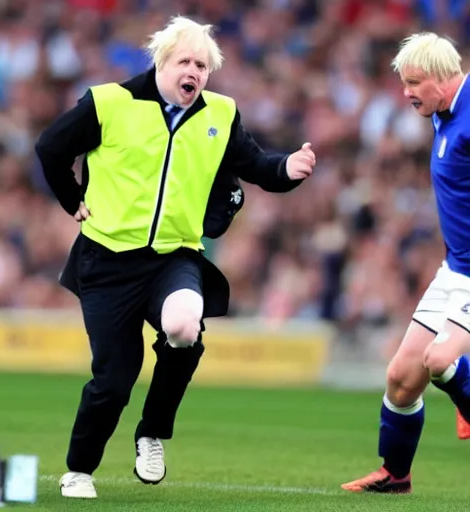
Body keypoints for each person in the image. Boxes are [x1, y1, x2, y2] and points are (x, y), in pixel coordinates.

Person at [35, 15, 316, 499]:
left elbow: (256, 166)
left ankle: (152, 432)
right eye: (186, 61)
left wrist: (287, 168)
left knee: (186, 326)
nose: (195, 72)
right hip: (106, 260)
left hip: (174, 257)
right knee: (113, 382)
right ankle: (79, 470)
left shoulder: (220, 115)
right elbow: (50, 147)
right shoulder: (110, 102)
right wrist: (71, 198)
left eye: (203, 66)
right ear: (163, 62)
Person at [342, 32, 470, 494]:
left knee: (442, 361)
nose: (407, 93)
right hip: (455, 270)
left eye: (414, 82)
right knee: (400, 379)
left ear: (442, 78)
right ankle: (395, 475)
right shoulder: (443, 112)